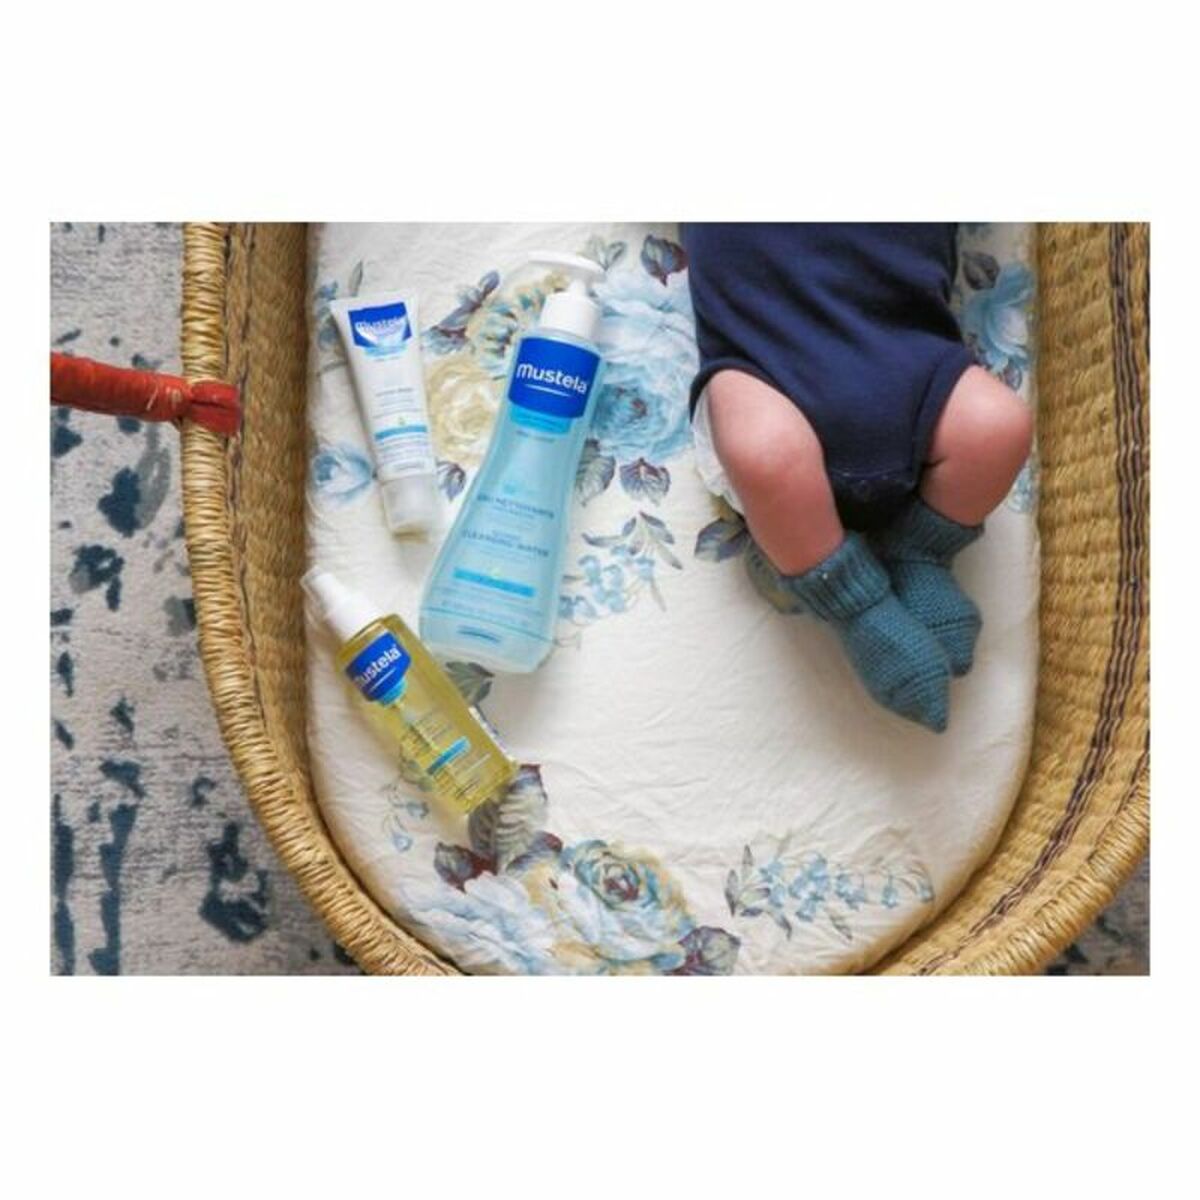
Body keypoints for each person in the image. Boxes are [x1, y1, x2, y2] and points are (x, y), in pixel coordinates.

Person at [683, 223, 1033, 732]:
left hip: (913, 353)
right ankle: (855, 604)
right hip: (762, 364)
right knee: (764, 454)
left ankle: (920, 550)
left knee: (998, 427)